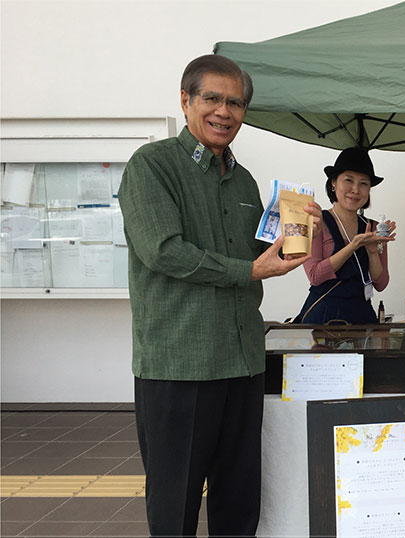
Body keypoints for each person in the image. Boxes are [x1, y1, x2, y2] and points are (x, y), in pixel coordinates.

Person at [118, 54, 308, 536]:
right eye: (212, 98)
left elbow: (256, 253)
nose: (225, 111)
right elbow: (163, 251)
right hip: (180, 366)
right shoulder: (152, 166)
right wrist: (250, 269)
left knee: (239, 502)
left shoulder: (243, 180)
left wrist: (301, 230)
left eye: (236, 103)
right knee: (174, 504)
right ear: (186, 100)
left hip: (243, 363)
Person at [293, 147, 396, 324]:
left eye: (363, 183)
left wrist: (372, 252)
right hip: (324, 318)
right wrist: (353, 245)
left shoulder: (373, 228)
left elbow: (381, 284)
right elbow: (315, 276)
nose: (355, 190)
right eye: (348, 180)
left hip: (362, 317)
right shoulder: (316, 221)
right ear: (333, 182)